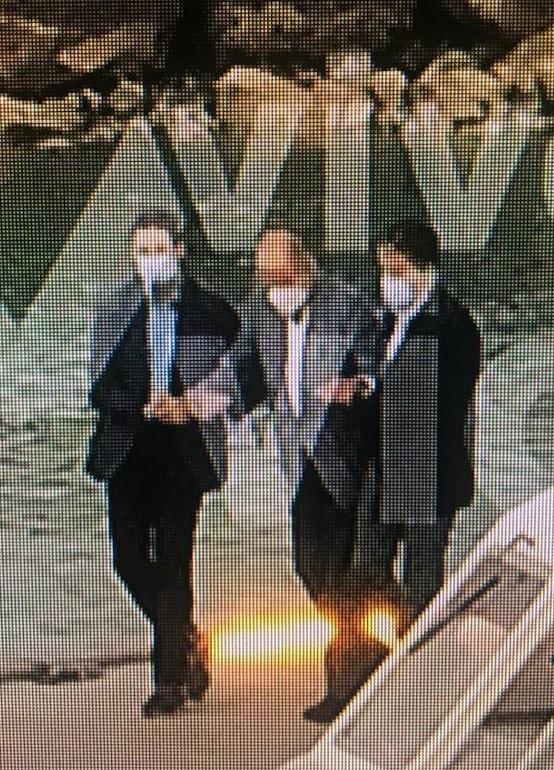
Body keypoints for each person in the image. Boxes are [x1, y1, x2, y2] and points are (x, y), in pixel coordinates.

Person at [186, 223, 384, 723]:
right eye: (265, 275)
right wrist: (202, 399)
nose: (271, 284)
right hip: (298, 456)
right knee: (310, 563)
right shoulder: (261, 312)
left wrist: (357, 386)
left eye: (278, 274)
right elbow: (243, 370)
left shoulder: (348, 305)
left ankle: (346, 681)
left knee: (333, 562)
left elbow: (380, 367)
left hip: (345, 450)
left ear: (302, 264)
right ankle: (370, 647)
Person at [85, 208, 239, 717]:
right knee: (127, 558)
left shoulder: (211, 311)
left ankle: (170, 677)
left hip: (183, 450)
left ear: (179, 251)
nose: (151, 259)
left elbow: (234, 382)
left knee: (174, 558)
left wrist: (189, 404)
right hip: (129, 448)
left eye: (159, 249)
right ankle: (186, 634)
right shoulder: (114, 310)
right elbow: (100, 387)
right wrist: (141, 407)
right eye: (142, 251)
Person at [353, 219, 482, 632]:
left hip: (428, 468)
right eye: (383, 270)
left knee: (422, 578)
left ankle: (416, 651)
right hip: (383, 467)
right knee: (365, 570)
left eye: (396, 270)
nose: (387, 280)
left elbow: (448, 402)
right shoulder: (382, 318)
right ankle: (367, 656)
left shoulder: (453, 324)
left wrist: (379, 393)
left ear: (424, 269)